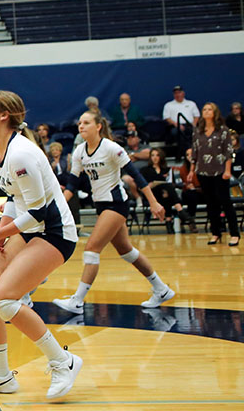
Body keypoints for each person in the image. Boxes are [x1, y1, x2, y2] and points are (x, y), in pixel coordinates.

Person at [0, 90, 80, 400]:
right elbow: (15, 199)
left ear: (4, 115)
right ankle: (0, 377)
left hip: (55, 234)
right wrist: (2, 231)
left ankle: (63, 362)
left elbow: (39, 212)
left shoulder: (22, 154)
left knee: (4, 298)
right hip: (31, 230)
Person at [52, 111, 172, 315]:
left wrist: (153, 202)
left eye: (87, 123)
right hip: (101, 205)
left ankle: (78, 301)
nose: (81, 126)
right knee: (126, 251)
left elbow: (136, 176)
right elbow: (72, 184)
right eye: (80, 123)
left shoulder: (112, 148)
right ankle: (161, 289)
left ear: (98, 126)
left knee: (91, 249)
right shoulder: (80, 151)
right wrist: (59, 208)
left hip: (116, 204)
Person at [189, 103, 238, 245]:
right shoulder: (197, 130)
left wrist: (228, 170)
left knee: (225, 202)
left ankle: (234, 234)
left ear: (215, 112)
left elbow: (228, 151)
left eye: (209, 109)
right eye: (204, 109)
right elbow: (195, 152)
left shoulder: (223, 130)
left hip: (220, 170)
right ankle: (216, 233)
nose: (206, 111)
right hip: (203, 170)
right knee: (211, 203)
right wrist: (192, 171)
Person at [142, 148, 194, 233]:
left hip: (166, 194)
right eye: (153, 155)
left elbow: (173, 183)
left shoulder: (167, 169)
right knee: (167, 187)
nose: (155, 158)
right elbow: (144, 185)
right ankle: (179, 211)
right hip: (152, 195)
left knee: (167, 192)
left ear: (161, 157)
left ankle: (169, 222)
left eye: (157, 155)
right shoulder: (145, 170)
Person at [163, 85, 200, 156]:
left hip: (189, 125)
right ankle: (183, 153)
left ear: (183, 93)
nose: (177, 95)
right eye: (175, 93)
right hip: (175, 126)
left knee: (195, 132)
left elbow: (197, 115)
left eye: (179, 93)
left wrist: (194, 124)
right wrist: (177, 125)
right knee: (178, 133)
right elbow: (167, 118)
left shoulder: (191, 103)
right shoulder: (168, 105)